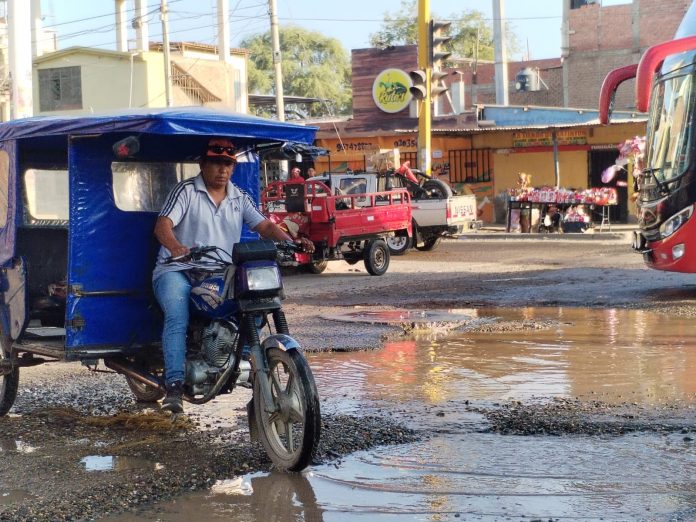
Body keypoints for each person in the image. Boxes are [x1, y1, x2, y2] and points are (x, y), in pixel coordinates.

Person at [152, 137, 314, 413]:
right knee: (177, 317)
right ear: (203, 164)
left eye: (228, 164)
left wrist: (290, 241)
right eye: (216, 163)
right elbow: (163, 225)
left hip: (219, 271)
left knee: (256, 302)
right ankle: (174, 388)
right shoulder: (186, 191)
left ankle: (247, 361)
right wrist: (176, 247)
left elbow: (263, 225)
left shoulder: (239, 197)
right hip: (177, 269)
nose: (222, 170)